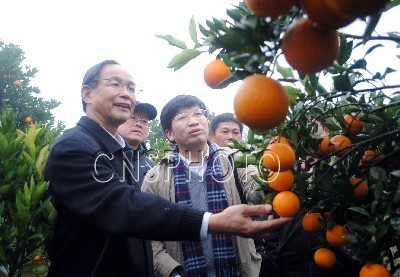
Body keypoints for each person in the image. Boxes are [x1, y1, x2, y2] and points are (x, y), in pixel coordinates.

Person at [44, 60, 291, 277]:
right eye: (115, 84)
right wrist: (206, 229)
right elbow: (126, 208)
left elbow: (256, 184)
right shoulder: (75, 147)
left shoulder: (236, 160)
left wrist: (280, 171)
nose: (126, 93)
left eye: (131, 88)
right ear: (87, 93)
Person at [141, 94, 279, 277]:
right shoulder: (155, 178)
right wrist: (172, 272)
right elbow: (149, 236)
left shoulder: (237, 159)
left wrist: (276, 175)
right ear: (169, 134)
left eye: (198, 113)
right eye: (182, 117)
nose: (193, 121)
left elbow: (257, 191)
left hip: (238, 271)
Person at [117, 101, 157, 187]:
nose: (139, 124)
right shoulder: (101, 157)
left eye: (144, 121)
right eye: (132, 117)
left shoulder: (152, 166)